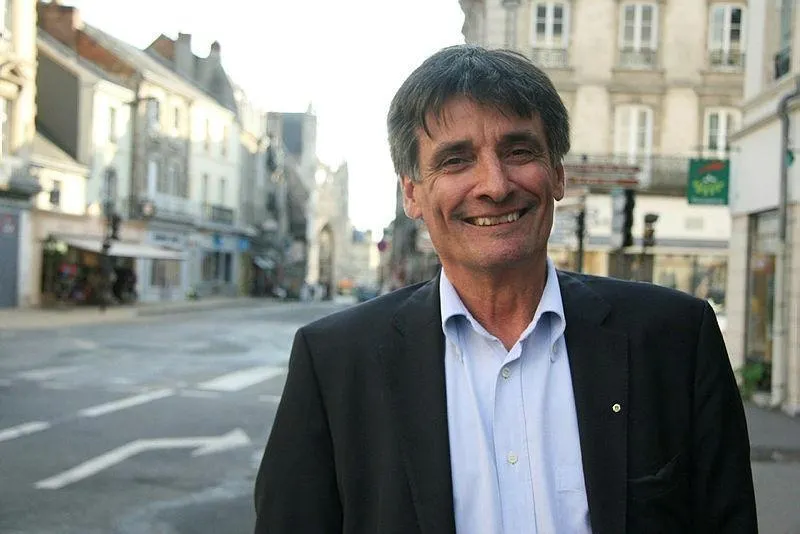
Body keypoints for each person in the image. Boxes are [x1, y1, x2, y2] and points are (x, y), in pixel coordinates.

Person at [253, 45, 757, 534]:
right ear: (412, 193)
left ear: (557, 174)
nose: (494, 185)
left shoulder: (675, 339)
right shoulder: (335, 363)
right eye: (456, 160)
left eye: (519, 151)